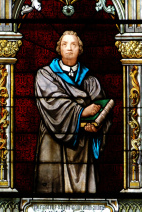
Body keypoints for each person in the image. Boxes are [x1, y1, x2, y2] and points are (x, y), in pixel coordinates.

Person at [34, 31, 113, 193]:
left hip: (83, 145)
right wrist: (82, 112)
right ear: (59, 49)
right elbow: (52, 101)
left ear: (80, 49)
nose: (69, 48)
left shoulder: (91, 80)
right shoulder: (45, 75)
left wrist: (97, 127)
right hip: (53, 142)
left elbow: (102, 112)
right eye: (65, 44)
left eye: (73, 45)